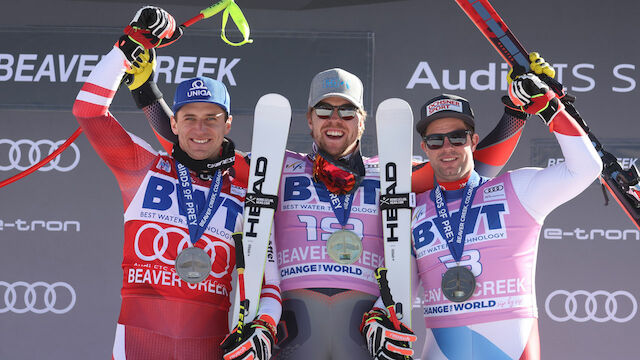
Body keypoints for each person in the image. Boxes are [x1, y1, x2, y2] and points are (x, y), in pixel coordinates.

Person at [270, 67, 538, 360]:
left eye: (347, 111)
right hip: (295, 330)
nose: (335, 120)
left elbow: (469, 165)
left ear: (362, 122)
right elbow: (214, 156)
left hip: (366, 331)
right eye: (324, 110)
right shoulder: (276, 166)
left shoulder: (392, 171)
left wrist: (515, 112)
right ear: (309, 119)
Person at [72, 7, 281, 359]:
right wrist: (127, 48)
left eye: (211, 119)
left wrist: (265, 326)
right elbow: (88, 112)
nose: (200, 129)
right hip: (138, 344)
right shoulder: (143, 167)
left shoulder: (248, 188)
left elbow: (269, 282)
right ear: (176, 123)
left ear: (227, 124)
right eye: (190, 118)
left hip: (210, 345)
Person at [403, 74, 601, 359]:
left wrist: (550, 109)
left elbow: (585, 168)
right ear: (425, 149)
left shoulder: (516, 188)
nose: (447, 148)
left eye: (457, 138)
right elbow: (402, 291)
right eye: (435, 141)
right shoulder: (413, 209)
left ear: (473, 141)